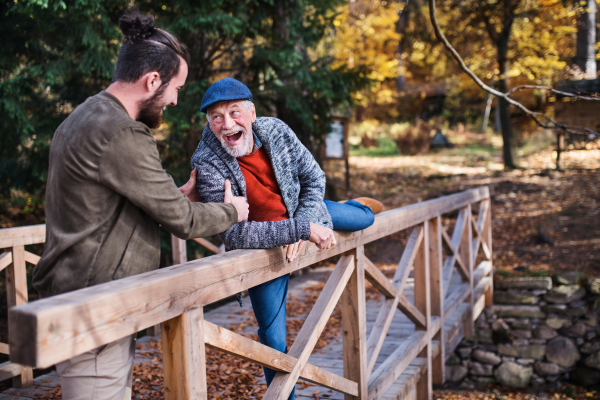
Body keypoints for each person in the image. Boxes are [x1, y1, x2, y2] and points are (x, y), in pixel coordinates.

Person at [32, 9, 249, 400]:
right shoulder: (122, 132)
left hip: (78, 296)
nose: (176, 100)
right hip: (93, 308)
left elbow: (102, 204)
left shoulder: (83, 116)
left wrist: (175, 196)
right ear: (152, 80)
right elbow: (181, 221)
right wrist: (234, 212)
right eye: (175, 88)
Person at [191, 77, 382, 399]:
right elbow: (233, 232)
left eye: (235, 112)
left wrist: (304, 219)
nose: (227, 124)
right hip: (262, 246)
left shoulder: (276, 130)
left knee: (365, 218)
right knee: (273, 339)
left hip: (301, 209)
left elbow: (313, 176)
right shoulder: (206, 163)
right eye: (216, 117)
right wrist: (298, 230)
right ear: (209, 124)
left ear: (252, 113)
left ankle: (355, 203)